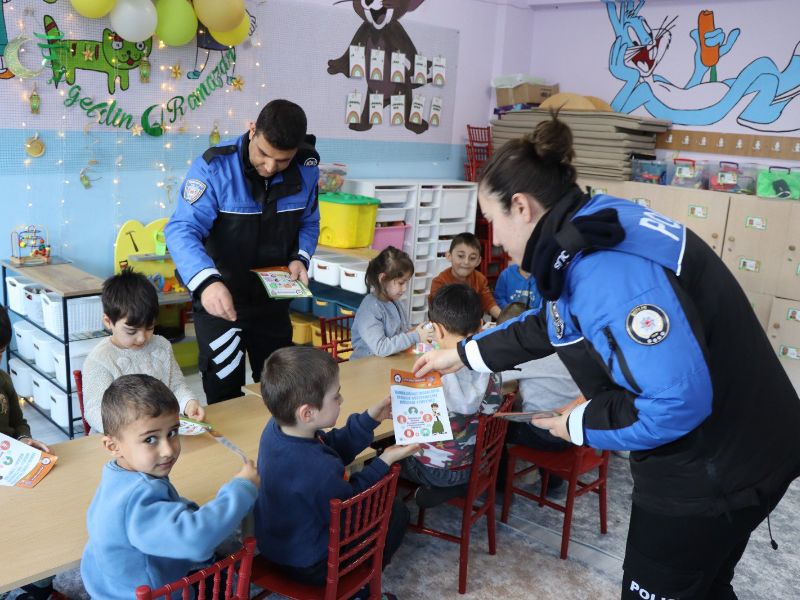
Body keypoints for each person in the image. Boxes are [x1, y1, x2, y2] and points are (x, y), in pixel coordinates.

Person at [414, 114, 800, 598]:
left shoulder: (605, 268)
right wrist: (466, 353)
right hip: (749, 444)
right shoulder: (588, 226)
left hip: (714, 467)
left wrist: (579, 424)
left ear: (522, 207)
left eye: (492, 222)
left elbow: (676, 404)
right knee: (704, 586)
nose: (494, 240)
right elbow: (552, 322)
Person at [165, 99, 320, 404]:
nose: (270, 167)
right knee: (224, 392)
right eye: (263, 154)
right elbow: (182, 229)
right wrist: (207, 282)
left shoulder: (306, 171)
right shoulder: (214, 167)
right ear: (252, 129)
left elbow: (309, 222)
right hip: (220, 302)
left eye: (282, 160)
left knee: (283, 393)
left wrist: (300, 257)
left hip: (272, 302)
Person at [254, 346, 417, 596]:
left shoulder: (277, 429)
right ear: (307, 413)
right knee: (396, 512)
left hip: (276, 547)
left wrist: (369, 419)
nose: (341, 400)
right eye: (336, 396)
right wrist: (385, 461)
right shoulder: (317, 468)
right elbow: (354, 507)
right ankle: (359, 589)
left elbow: (328, 448)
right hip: (311, 565)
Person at [80, 374, 259, 599]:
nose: (168, 450)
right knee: (225, 570)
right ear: (113, 446)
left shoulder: (119, 473)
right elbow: (195, 541)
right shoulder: (140, 496)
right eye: (150, 439)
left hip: (108, 583)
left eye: (172, 433)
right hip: (149, 592)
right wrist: (241, 488)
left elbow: (160, 505)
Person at [402, 284, 502, 508]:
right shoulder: (491, 367)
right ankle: (458, 488)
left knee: (381, 454)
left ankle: (438, 489)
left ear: (436, 330)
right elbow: (491, 411)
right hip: (475, 465)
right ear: (479, 326)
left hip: (431, 469)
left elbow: (410, 425)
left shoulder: (426, 369)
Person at [82, 269, 205, 433]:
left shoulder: (161, 346)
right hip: (118, 438)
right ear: (108, 321)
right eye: (131, 331)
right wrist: (130, 432)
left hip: (160, 432)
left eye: (149, 328)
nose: (142, 338)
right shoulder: (100, 359)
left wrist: (189, 403)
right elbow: (95, 411)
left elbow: (176, 386)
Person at [496, 302, 582, 496]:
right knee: (544, 407)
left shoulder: (526, 354)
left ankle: (498, 490)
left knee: (494, 430)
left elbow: (494, 377)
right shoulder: (562, 344)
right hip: (574, 429)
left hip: (548, 434)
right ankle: (553, 482)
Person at [1, 306, 54, 600]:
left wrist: (25, 439)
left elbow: (19, 421)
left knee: (42, 524)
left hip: (15, 466)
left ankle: (40, 584)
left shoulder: (3, 379)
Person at [351, 246, 432, 359]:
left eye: (406, 282)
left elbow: (402, 332)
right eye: (401, 283)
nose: (404, 289)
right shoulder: (370, 308)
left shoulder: (395, 301)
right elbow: (381, 348)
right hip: (366, 365)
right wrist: (415, 336)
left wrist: (419, 330)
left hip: (388, 360)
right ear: (383, 279)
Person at [429, 232, 501, 319]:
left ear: (478, 261)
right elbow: (439, 312)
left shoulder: (480, 279)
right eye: (460, 256)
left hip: (473, 326)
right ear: (449, 256)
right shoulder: (439, 282)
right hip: (447, 325)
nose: (466, 262)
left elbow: (489, 304)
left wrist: (505, 318)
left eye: (472, 258)